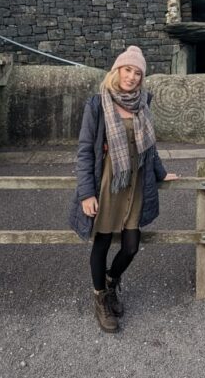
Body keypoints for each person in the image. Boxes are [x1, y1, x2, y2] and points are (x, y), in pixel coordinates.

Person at [69, 46, 178, 333]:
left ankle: (110, 281)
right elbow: (84, 151)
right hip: (108, 182)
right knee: (102, 243)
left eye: (137, 73)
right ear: (117, 70)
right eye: (127, 70)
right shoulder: (97, 104)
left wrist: (163, 173)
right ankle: (100, 300)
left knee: (131, 245)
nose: (131, 76)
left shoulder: (142, 104)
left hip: (136, 184)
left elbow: (149, 148)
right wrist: (86, 193)